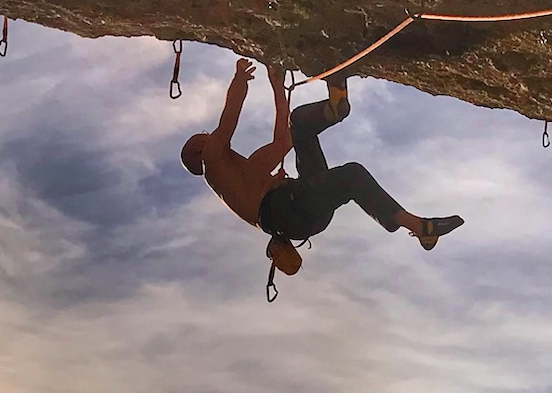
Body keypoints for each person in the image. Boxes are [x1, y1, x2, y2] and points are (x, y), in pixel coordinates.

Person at [180, 59, 462, 282]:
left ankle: (335, 104)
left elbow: (283, 140)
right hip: (288, 212)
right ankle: (419, 227)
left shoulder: (246, 171)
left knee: (299, 123)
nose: (209, 136)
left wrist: (277, 86)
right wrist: (240, 79)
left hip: (301, 210)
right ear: (198, 153)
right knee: (351, 175)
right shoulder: (212, 164)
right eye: (202, 137)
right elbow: (229, 118)